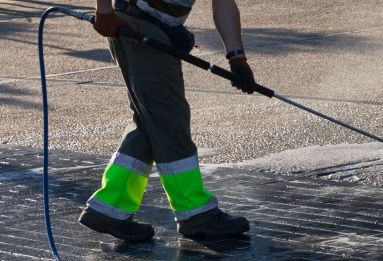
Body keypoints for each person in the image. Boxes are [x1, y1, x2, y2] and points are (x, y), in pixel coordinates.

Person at [78, 0, 255, 241]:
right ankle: (195, 213)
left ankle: (110, 207)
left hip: (148, 27)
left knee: (150, 120)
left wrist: (237, 59)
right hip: (139, 29)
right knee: (169, 121)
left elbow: (223, 2)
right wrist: (104, 12)